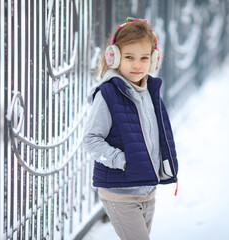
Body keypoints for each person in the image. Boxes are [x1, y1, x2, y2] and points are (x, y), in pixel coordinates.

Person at [83, 17, 178, 240]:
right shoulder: (108, 95)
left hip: (147, 191)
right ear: (114, 58)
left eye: (144, 58)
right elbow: (91, 139)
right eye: (129, 57)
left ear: (154, 60)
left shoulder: (150, 91)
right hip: (120, 193)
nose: (137, 64)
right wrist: (123, 161)